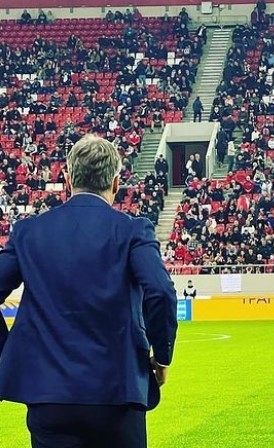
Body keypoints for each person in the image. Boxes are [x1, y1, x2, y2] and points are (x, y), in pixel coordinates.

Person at [0, 135, 178, 447]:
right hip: (117, 393)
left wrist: (6, 349)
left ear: (68, 179)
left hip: (49, 396)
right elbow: (160, 291)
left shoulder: (29, 232)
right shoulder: (132, 230)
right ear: (115, 183)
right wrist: (162, 357)